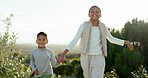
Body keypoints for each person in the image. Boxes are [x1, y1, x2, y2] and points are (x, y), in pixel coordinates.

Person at [58, 5, 134, 78]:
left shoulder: (103, 26)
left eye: (97, 12)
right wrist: (63, 54)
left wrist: (125, 42)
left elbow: (111, 39)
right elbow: (75, 40)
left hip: (99, 57)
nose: (95, 13)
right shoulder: (83, 26)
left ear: (100, 14)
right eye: (92, 12)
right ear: (89, 14)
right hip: (86, 57)